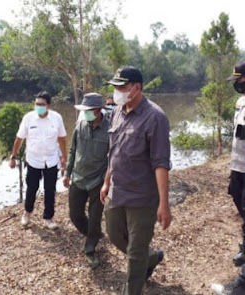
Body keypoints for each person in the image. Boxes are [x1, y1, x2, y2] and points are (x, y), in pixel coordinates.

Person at [100, 66, 172, 295]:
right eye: (115, 87)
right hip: (117, 191)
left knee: (135, 252)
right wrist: (106, 180)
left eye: (121, 87)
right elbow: (114, 150)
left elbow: (160, 163)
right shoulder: (118, 112)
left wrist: (164, 203)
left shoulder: (155, 118)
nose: (117, 91)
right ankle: (151, 257)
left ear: (136, 88)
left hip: (141, 197)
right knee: (114, 234)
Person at [63, 93, 109, 268]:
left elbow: (113, 157)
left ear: (98, 110)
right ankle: (94, 234)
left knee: (95, 217)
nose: (85, 113)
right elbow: (73, 150)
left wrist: (107, 181)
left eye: (88, 110)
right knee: (75, 215)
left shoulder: (110, 129)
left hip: (97, 180)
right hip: (78, 177)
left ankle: (90, 248)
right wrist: (67, 173)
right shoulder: (80, 126)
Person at [9, 91, 67, 230]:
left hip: (52, 160)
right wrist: (13, 156)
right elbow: (19, 139)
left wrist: (64, 157)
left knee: (50, 190)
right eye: (37, 104)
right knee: (32, 188)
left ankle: (48, 218)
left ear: (49, 106)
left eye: (42, 104)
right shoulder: (28, 118)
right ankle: (27, 213)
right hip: (33, 160)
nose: (39, 106)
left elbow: (62, 139)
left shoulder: (56, 118)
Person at [211, 61, 245, 295]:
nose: (237, 86)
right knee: (239, 205)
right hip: (239, 169)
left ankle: (242, 285)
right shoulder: (240, 103)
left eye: (239, 81)